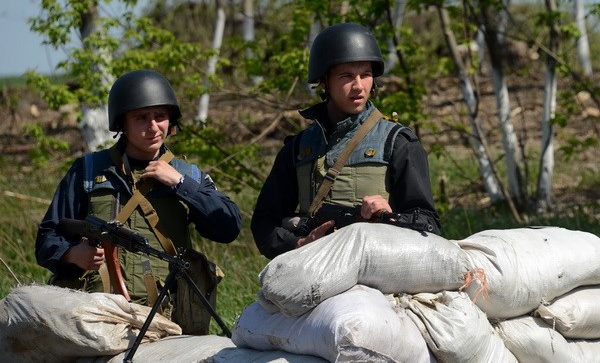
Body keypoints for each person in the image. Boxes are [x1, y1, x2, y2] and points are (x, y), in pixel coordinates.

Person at [35, 69, 242, 308]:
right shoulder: (88, 170)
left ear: (171, 120)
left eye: (160, 116)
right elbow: (46, 238)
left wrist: (181, 184)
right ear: (122, 123)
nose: (153, 127)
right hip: (99, 313)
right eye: (141, 118)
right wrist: (72, 254)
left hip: (169, 316)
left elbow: (228, 227)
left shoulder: (188, 175)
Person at [251, 23, 441, 259]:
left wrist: (391, 216)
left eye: (366, 75)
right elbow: (263, 223)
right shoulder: (298, 148)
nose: (359, 86)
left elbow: (429, 224)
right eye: (346, 76)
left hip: (379, 268)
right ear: (324, 81)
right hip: (311, 266)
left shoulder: (399, 142)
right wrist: (300, 244)